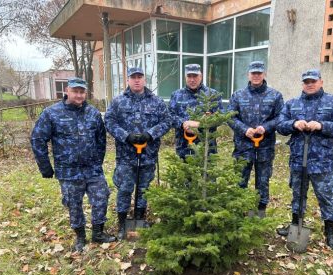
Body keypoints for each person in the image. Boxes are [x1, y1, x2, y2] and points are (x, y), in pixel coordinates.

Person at [31, 77, 116, 253]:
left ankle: (98, 233)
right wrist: (45, 166)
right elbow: (38, 139)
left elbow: (101, 140)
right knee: (73, 204)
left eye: (82, 92)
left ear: (85, 93)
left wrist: (97, 161)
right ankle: (80, 237)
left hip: (92, 169)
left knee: (101, 198)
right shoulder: (51, 113)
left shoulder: (93, 113)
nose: (79, 95)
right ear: (67, 91)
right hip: (68, 171)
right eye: (75, 91)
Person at [276, 69, 333, 250]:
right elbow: (280, 125)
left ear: (321, 82)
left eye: (313, 81)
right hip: (298, 160)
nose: (310, 84)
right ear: (302, 84)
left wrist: (322, 125)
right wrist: (294, 124)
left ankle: (330, 233)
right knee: (298, 195)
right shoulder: (292, 104)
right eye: (306, 81)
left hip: (322, 162)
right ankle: (295, 225)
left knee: (326, 196)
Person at [105, 67, 171, 240]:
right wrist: (126, 136)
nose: (136, 80)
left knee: (143, 190)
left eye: (140, 77)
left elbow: (167, 120)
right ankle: (122, 224)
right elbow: (109, 121)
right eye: (133, 77)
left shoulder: (156, 102)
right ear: (127, 80)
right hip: (126, 156)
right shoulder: (119, 101)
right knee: (125, 189)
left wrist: (150, 134)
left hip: (148, 155)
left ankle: (140, 219)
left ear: (144, 80)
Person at [228, 61, 284, 218]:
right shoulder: (238, 95)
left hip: (265, 147)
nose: (256, 76)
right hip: (243, 147)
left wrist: (265, 127)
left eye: (259, 73)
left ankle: (259, 213)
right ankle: (238, 213)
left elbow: (281, 117)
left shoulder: (275, 95)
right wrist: (245, 130)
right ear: (249, 75)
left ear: (264, 74)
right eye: (253, 73)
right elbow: (230, 117)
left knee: (263, 181)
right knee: (240, 180)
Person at [169, 64, 223, 159]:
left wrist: (199, 124)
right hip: (183, 147)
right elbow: (169, 116)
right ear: (185, 77)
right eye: (189, 76)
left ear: (201, 76)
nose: (192, 80)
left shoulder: (212, 95)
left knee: (206, 174)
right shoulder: (176, 95)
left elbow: (221, 117)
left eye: (195, 76)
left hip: (206, 150)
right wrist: (184, 123)